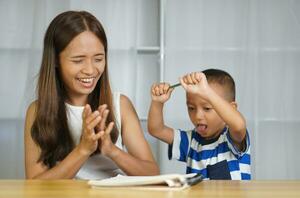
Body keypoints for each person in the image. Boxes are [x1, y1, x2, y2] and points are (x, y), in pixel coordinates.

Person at [24, 10, 159, 179]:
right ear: (56, 60)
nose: (90, 70)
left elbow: (152, 173)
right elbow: (35, 185)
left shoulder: (120, 105)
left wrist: (111, 150)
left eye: (98, 58)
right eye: (78, 60)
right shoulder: (37, 110)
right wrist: (83, 149)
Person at [148, 69, 250, 180]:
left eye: (207, 108)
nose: (198, 116)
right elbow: (156, 129)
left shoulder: (232, 138)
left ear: (231, 108)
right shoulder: (190, 140)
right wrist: (157, 102)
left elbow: (239, 126)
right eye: (191, 108)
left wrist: (207, 93)